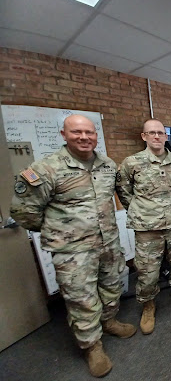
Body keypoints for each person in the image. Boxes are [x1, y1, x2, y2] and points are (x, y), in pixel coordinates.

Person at [10, 114, 136, 378]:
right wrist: (62, 232)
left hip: (109, 244)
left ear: (96, 136)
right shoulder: (47, 169)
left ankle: (109, 321)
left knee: (113, 284)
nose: (84, 137)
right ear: (63, 134)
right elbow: (24, 212)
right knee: (82, 299)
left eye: (89, 132)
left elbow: (119, 196)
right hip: (73, 252)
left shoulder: (107, 165)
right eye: (76, 132)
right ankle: (92, 346)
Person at [116, 119, 171, 335]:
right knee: (147, 271)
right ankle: (148, 305)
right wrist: (140, 211)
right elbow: (123, 190)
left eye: (160, 133)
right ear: (144, 136)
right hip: (147, 228)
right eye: (151, 133)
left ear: (165, 137)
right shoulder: (132, 162)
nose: (156, 136)